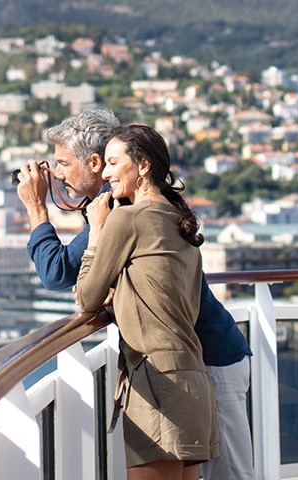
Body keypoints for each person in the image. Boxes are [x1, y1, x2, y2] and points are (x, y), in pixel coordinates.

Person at [17, 108, 253, 479]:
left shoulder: (124, 214)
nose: (56, 174)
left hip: (190, 364)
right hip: (198, 364)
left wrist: (36, 209)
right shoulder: (161, 210)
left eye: (62, 163)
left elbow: (62, 275)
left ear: (95, 163)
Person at [74, 123, 213, 479]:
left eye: (112, 162)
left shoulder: (127, 219)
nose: (104, 174)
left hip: (157, 383)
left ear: (143, 166)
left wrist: (97, 231)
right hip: (193, 378)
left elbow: (87, 297)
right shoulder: (179, 220)